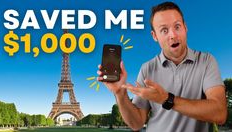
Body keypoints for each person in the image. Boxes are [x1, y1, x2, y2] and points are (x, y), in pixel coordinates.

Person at [97, 1, 227, 132]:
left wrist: (166, 99)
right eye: (164, 30)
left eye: (177, 26)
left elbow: (220, 113)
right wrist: (120, 93)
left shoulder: (206, 61)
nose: (173, 35)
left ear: (185, 27)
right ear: (154, 36)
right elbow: (136, 124)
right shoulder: (147, 68)